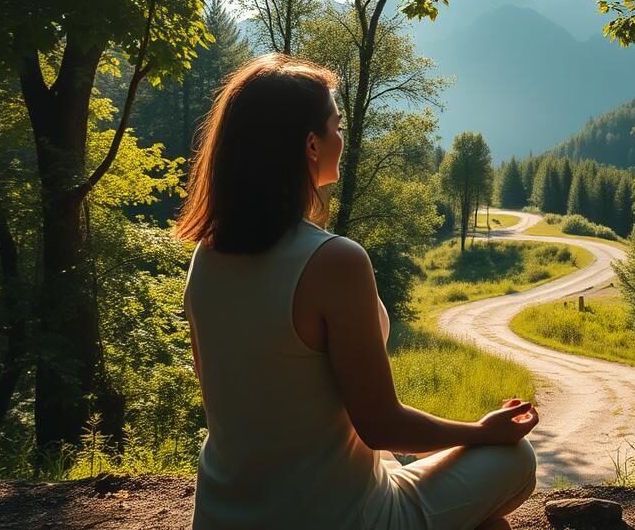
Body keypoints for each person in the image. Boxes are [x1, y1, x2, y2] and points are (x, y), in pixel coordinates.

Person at [175, 53, 538, 530]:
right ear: (310, 144)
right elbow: (381, 425)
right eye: (336, 126)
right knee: (518, 459)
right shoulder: (333, 261)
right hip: (339, 517)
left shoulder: (207, 253)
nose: (342, 139)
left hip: (225, 514)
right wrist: (480, 432)